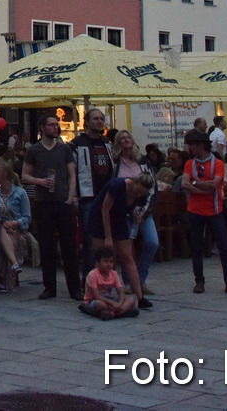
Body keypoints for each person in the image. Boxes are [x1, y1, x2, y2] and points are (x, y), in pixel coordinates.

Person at [180, 130, 227, 296]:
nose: (189, 148)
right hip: (195, 210)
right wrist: (201, 185)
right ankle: (199, 281)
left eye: (191, 145)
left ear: (200, 145)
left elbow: (214, 184)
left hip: (215, 210)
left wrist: (195, 184)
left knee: (224, 246)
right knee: (196, 247)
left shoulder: (217, 163)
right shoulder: (190, 163)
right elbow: (184, 184)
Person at [22, 113, 79, 300]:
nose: (56, 127)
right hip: (43, 202)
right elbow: (25, 175)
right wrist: (39, 181)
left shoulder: (65, 149)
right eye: (52, 125)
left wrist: (70, 197)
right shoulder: (34, 150)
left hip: (63, 201)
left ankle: (75, 288)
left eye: (57, 124)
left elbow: (72, 174)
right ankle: (49, 287)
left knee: (69, 245)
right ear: (42, 128)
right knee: (47, 246)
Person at [88, 172, 152, 310]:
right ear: (134, 182)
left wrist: (135, 214)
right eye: (137, 191)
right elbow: (105, 209)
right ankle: (97, 292)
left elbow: (131, 208)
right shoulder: (117, 185)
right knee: (103, 255)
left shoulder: (141, 195)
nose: (138, 194)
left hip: (119, 217)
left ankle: (140, 296)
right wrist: (108, 236)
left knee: (127, 256)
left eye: (142, 193)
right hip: (100, 217)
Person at [111, 131, 159, 289]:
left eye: (128, 137)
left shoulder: (143, 161)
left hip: (143, 209)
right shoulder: (115, 162)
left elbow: (153, 186)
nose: (126, 140)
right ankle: (128, 282)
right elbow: (113, 187)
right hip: (124, 209)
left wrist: (144, 212)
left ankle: (140, 278)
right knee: (127, 248)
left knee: (152, 242)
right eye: (122, 138)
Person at [71, 108, 114, 280]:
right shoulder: (77, 144)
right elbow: (72, 171)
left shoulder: (107, 143)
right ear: (86, 122)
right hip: (88, 196)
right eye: (95, 118)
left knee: (105, 239)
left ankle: (106, 278)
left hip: (107, 197)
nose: (99, 121)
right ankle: (89, 280)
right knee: (90, 240)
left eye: (101, 118)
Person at [0, 161, 30, 292]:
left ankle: (4, 278)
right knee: (0, 230)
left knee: (4, 236)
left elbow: (27, 217)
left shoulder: (20, 193)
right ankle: (14, 264)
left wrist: (15, 223)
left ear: (5, 174)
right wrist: (0, 223)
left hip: (17, 229)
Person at [79, 245, 136, 320]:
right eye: (105, 261)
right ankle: (122, 312)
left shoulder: (114, 274)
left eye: (111, 261)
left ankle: (112, 313)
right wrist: (112, 303)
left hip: (109, 300)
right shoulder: (92, 274)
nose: (108, 264)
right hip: (94, 300)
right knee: (99, 304)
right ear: (98, 263)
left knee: (131, 299)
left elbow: (121, 292)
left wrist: (120, 303)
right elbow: (96, 296)